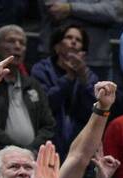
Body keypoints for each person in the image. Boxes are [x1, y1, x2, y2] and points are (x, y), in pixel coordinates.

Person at [0, 27, 55, 152]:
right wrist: (14, 148)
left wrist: (30, 149)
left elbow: (48, 125)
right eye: (11, 41)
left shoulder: (33, 85)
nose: (18, 46)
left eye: (22, 43)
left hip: (31, 155)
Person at [31, 24, 98, 156]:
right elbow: (45, 105)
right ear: (57, 47)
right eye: (69, 37)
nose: (73, 42)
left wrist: (83, 80)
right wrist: (69, 78)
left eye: (78, 40)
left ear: (83, 52)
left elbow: (93, 112)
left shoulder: (89, 76)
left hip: (78, 143)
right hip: (47, 140)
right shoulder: (40, 70)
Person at [36, 0, 123, 81]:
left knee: (97, 98)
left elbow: (110, 11)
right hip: (57, 57)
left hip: (96, 58)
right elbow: (56, 9)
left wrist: (70, 8)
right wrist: (94, 16)